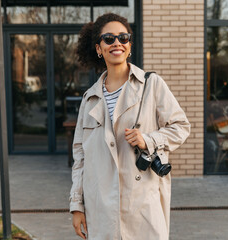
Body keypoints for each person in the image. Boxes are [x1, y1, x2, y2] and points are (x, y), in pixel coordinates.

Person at [69, 13, 190, 240]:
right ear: (98, 47)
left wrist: (149, 140)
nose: (117, 43)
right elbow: (80, 156)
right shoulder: (90, 98)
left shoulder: (151, 84)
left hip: (142, 204)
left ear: (129, 45)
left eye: (123, 37)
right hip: (101, 207)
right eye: (109, 38)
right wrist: (77, 205)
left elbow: (181, 126)